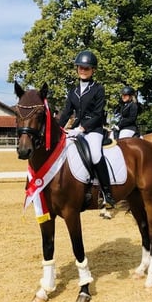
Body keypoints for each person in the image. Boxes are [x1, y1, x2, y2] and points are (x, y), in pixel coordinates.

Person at [57, 50, 116, 209]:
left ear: (93, 70)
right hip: (76, 129)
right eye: (80, 67)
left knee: (96, 155)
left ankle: (107, 193)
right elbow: (66, 112)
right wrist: (57, 128)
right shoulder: (73, 91)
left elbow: (98, 114)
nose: (83, 70)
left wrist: (82, 128)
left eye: (87, 68)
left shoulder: (98, 89)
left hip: (93, 129)